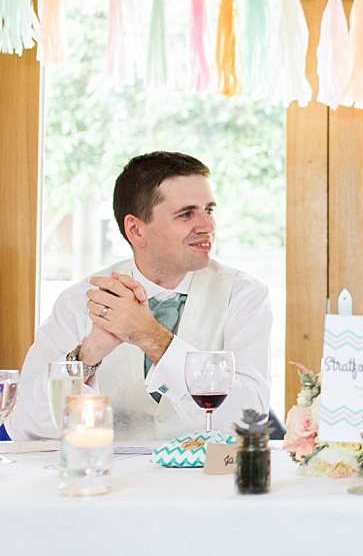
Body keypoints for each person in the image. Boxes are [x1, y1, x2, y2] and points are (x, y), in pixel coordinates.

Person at [6, 151, 271, 441]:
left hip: (209, 481)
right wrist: (87, 355)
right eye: (186, 214)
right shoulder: (80, 301)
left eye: (208, 210)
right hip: (109, 480)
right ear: (136, 229)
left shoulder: (244, 295)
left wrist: (150, 337)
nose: (208, 226)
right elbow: (24, 426)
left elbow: (250, 418)